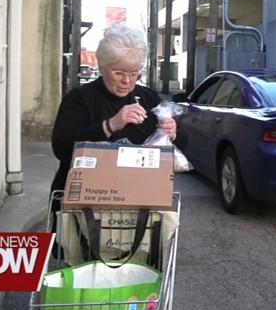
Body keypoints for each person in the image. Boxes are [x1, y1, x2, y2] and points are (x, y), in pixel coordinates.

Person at [50, 23, 181, 203]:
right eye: (119, 73)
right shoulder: (80, 98)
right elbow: (61, 148)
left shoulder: (149, 99)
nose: (127, 81)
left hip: (137, 199)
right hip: (85, 200)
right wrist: (109, 125)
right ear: (102, 67)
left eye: (134, 73)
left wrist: (172, 133)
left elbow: (180, 149)